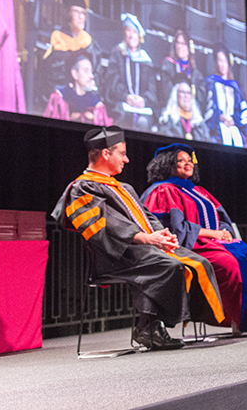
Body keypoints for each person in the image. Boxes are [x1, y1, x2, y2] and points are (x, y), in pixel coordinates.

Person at [50, 126, 225, 350]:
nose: (127, 159)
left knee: (198, 261)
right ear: (106, 153)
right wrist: (147, 239)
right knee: (168, 265)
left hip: (142, 249)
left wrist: (161, 234)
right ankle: (148, 327)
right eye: (122, 154)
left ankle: (153, 324)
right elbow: (105, 226)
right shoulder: (83, 188)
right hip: (115, 255)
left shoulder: (124, 187)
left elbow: (147, 216)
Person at [142, 144, 247, 336]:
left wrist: (224, 232)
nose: (187, 164)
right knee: (230, 263)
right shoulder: (163, 191)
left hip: (212, 244)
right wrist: (212, 234)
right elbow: (173, 230)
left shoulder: (199, 191)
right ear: (166, 165)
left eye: (189, 160)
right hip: (187, 247)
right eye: (180, 161)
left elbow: (221, 219)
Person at [39, 0, 98, 102]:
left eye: (83, 13)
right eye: (76, 11)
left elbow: (97, 70)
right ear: (68, 14)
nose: (81, 17)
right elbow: (53, 73)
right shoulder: (58, 38)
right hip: (64, 94)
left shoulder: (88, 41)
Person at [104, 13, 157, 131]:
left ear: (139, 36)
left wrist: (144, 101)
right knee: (124, 119)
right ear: (124, 33)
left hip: (142, 108)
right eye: (128, 31)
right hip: (121, 103)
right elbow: (112, 83)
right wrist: (125, 97)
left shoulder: (146, 60)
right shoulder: (117, 54)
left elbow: (152, 89)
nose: (131, 35)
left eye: (134, 32)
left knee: (143, 122)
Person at [43, 55, 113, 125]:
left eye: (91, 72)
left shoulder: (97, 105)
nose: (91, 76)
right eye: (86, 71)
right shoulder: (59, 98)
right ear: (75, 73)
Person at [205, 46, 247, 147]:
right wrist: (220, 117)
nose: (222, 65)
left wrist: (234, 119)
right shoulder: (211, 83)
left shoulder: (235, 87)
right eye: (220, 61)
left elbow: (242, 109)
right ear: (216, 63)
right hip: (218, 129)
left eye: (225, 61)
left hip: (234, 127)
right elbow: (208, 106)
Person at [159, 30, 206, 107]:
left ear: (189, 47)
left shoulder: (196, 74)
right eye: (177, 43)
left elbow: (200, 101)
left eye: (183, 43)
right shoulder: (168, 67)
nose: (179, 46)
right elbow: (165, 93)